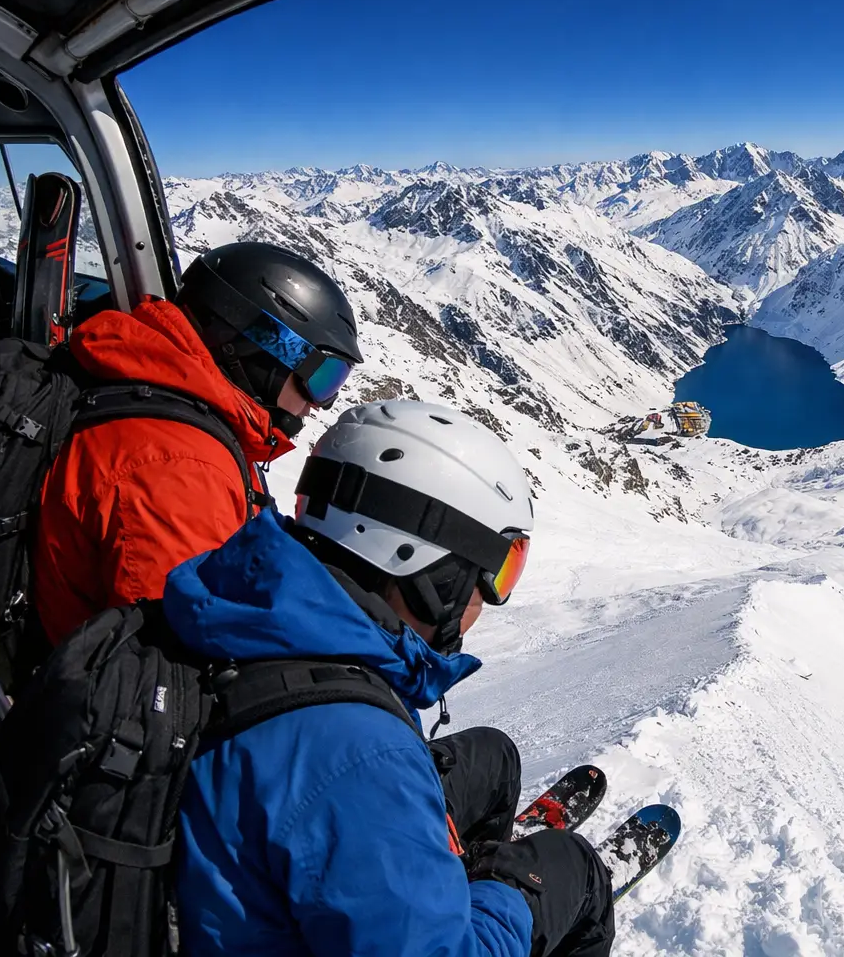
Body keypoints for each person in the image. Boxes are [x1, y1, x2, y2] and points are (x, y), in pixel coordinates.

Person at [167, 399, 614, 957]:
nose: (491, 597)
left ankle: (432, 887)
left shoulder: (231, 591)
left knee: (495, 758)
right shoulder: (362, 758)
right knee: (575, 870)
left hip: (262, 799)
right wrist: (512, 894)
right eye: (495, 571)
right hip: (335, 795)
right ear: (427, 563)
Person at [32, 241, 363, 644]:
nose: (318, 405)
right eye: (322, 379)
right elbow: (177, 663)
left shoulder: (165, 399)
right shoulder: (178, 471)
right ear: (261, 349)